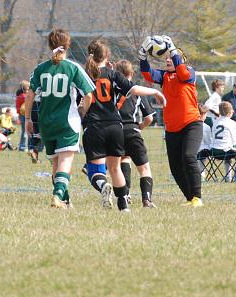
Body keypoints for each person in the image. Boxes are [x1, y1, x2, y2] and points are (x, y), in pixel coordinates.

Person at [82, 40, 165, 212]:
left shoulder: (83, 75)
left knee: (94, 171)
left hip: (94, 127)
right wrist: (156, 91)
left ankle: (103, 185)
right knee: (115, 168)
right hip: (115, 126)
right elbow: (134, 89)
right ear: (107, 56)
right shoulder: (113, 74)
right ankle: (123, 206)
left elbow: (80, 102)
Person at [24, 29, 95, 209]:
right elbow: (88, 95)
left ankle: (65, 200)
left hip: (46, 123)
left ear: (50, 45)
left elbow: (30, 95)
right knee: (65, 162)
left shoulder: (40, 68)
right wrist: (83, 111)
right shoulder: (72, 67)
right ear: (67, 45)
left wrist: (27, 119)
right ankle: (57, 196)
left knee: (56, 163)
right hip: (67, 122)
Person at [140, 35, 204, 206]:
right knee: (175, 167)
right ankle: (190, 198)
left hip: (192, 124)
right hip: (172, 129)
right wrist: (143, 55)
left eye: (171, 57)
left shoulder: (189, 72)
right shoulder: (164, 76)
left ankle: (198, 198)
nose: (168, 60)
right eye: (166, 58)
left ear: (181, 60)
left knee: (189, 157)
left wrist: (173, 47)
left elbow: (182, 72)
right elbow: (147, 74)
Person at [115, 60, 160, 208]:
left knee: (123, 159)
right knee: (144, 168)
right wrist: (139, 127)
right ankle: (146, 199)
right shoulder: (138, 91)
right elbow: (149, 118)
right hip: (132, 131)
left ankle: (125, 195)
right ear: (131, 73)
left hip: (115, 131)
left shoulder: (112, 89)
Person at [15, 81, 30, 151]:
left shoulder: (19, 96)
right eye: (28, 88)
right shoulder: (24, 96)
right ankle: (23, 147)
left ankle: (21, 146)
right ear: (25, 89)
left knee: (23, 131)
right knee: (25, 132)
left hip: (21, 115)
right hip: (24, 115)